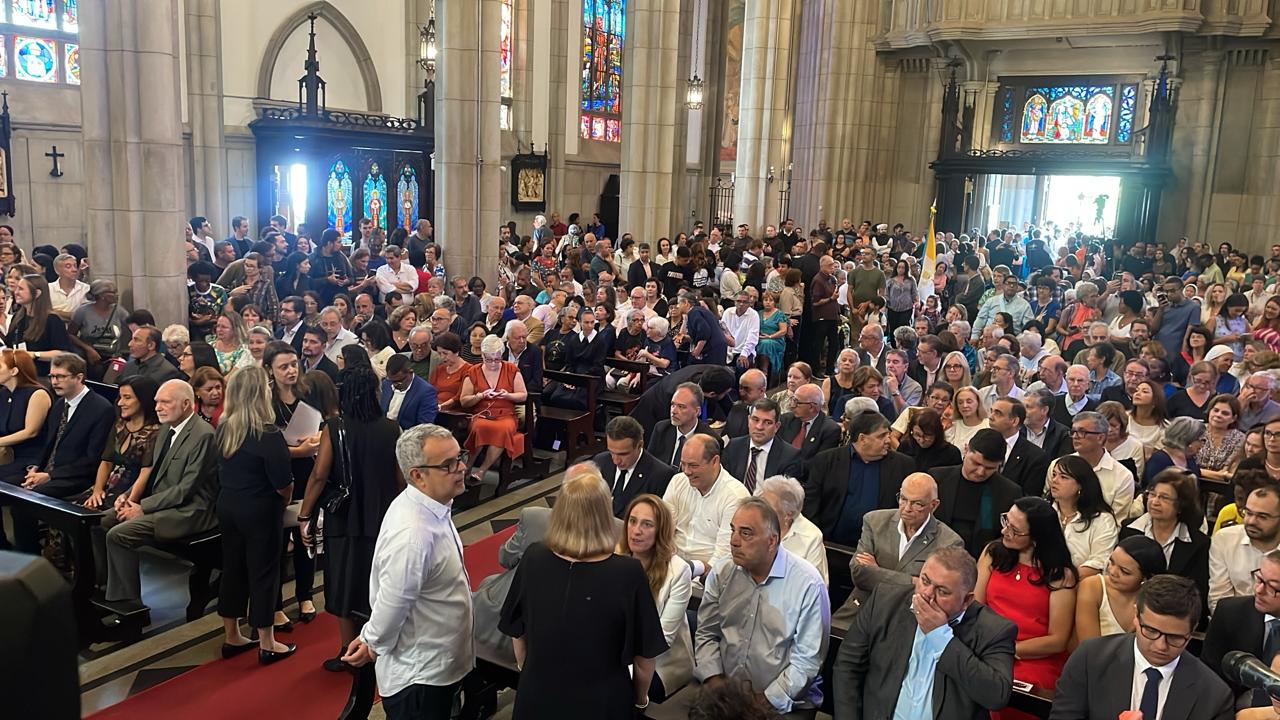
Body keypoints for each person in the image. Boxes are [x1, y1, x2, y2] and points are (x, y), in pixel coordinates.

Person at [500, 464, 667, 719]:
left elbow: (517, 632)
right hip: (602, 703)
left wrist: (530, 671)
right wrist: (640, 699)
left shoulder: (534, 557)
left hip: (537, 696)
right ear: (604, 514)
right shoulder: (627, 572)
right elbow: (644, 658)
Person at [335, 424, 472, 717]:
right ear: (417, 475)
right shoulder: (414, 533)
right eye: (449, 464)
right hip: (421, 674)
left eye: (460, 457)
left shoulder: (430, 505)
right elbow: (393, 601)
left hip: (438, 661)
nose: (461, 467)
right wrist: (372, 641)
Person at [297, 364, 402, 672]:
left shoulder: (335, 428)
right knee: (377, 583)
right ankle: (376, 646)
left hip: (343, 517)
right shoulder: (391, 428)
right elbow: (399, 480)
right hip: (381, 516)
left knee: (343, 582)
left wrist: (305, 514)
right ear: (372, 392)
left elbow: (319, 474)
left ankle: (347, 650)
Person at [833, 547, 1017, 720]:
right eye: (925, 581)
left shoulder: (994, 630)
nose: (927, 594)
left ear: (966, 601)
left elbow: (996, 696)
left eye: (942, 591)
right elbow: (848, 666)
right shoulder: (885, 601)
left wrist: (940, 637)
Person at [694, 497, 830, 715]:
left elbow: (807, 662)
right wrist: (716, 683)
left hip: (784, 703)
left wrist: (762, 702)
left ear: (771, 541)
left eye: (746, 533)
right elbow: (707, 634)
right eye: (733, 530)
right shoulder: (722, 572)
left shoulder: (808, 584)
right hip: (725, 693)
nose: (734, 541)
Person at [96, 378, 217, 612]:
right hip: (160, 503)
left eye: (165, 402)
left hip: (189, 511)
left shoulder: (203, 435)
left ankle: (129, 604)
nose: (158, 407)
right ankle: (105, 586)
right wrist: (129, 497)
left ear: (185, 404)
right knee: (98, 522)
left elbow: (185, 490)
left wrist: (142, 508)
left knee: (119, 534)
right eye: (156, 402)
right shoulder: (165, 429)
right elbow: (152, 475)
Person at [1048, 575, 1232, 720]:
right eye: (1151, 631)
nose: (1161, 646)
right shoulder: (1090, 659)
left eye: (1175, 637)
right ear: (1136, 616)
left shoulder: (1214, 695)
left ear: (1192, 631)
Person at [214, 367, 295, 663]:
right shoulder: (268, 433)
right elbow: (283, 484)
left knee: (232, 568)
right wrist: (284, 500)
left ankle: (232, 636)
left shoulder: (224, 427)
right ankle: (267, 641)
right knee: (263, 572)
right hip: (260, 509)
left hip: (228, 505)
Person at [977, 497, 1079, 697]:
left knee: (1007, 689)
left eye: (1015, 530)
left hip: (1033, 657)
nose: (1005, 531)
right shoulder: (993, 553)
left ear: (1036, 538)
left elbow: (1057, 640)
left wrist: (1009, 649)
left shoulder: (1059, 575)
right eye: (1006, 521)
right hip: (986, 646)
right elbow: (975, 607)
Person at [833, 471, 964, 620]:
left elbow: (931, 594)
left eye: (917, 504)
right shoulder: (874, 521)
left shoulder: (949, 542)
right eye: (903, 499)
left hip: (907, 618)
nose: (907, 508)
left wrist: (877, 571)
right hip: (860, 609)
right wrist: (913, 581)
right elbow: (860, 573)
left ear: (934, 505)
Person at [616, 494, 695, 702]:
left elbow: (663, 638)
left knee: (617, 690)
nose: (636, 531)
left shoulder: (678, 571)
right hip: (618, 655)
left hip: (662, 663)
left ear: (660, 531)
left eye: (647, 524)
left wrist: (623, 666)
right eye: (632, 521)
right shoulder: (615, 559)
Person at [803, 410, 913, 548]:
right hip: (830, 544)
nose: (888, 440)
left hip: (878, 548)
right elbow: (811, 503)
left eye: (888, 435)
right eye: (882, 436)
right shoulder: (826, 461)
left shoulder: (904, 466)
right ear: (862, 438)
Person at [1119, 469, 1211, 618]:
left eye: (1164, 498)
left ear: (1181, 505)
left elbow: (1197, 592)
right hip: (1128, 607)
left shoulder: (1198, 543)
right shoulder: (1129, 530)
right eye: (1152, 494)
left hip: (1175, 614)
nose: (1155, 501)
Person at [1201, 549, 1280, 709]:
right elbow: (1208, 677)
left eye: (1272, 587)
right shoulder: (1229, 613)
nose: (1258, 590)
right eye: (1259, 579)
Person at [662, 433, 748, 580]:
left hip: (708, 578)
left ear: (715, 461)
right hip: (670, 568)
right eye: (683, 464)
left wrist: (691, 574)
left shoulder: (735, 496)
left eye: (693, 466)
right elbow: (663, 531)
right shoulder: (678, 482)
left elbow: (724, 557)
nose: (687, 471)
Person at [932, 428, 1024, 558]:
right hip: (935, 555)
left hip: (981, 560)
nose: (980, 472)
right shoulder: (937, 479)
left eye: (990, 468)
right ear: (966, 450)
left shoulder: (1009, 492)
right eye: (976, 463)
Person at [1073, 536, 1168, 644]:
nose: (1112, 572)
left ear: (1146, 577)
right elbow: (1089, 648)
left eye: (1124, 571)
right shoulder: (1093, 586)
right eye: (1112, 562)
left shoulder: (1154, 601)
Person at [1047, 411, 1136, 520]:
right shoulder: (1057, 465)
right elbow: (1048, 503)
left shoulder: (1122, 476)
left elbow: (1117, 520)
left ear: (1100, 437)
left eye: (1082, 432)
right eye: (1073, 432)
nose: (1075, 436)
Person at [1207, 484, 1280, 612]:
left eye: (1262, 517)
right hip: (1234, 623)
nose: (1251, 521)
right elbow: (1219, 598)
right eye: (1248, 513)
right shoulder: (1225, 539)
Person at [1049, 455, 1119, 578]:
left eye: (1063, 477)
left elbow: (1099, 562)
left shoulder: (1102, 520)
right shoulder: (1044, 510)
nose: (1054, 480)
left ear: (1081, 485)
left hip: (1081, 584)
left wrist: (1064, 579)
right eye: (1054, 474)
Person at [592, 415, 676, 518]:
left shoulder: (660, 476)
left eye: (623, 454)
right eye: (611, 452)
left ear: (639, 445)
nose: (615, 460)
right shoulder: (600, 462)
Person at [756, 474, 829, 585]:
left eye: (767, 508)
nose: (759, 511)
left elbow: (816, 586)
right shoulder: (751, 524)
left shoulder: (811, 537)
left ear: (788, 514)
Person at [721, 398, 803, 493]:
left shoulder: (790, 456)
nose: (759, 427)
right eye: (755, 420)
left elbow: (784, 498)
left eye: (767, 422)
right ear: (748, 420)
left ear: (777, 427)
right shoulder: (734, 446)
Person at [0, 349, 51, 487]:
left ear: (14, 371)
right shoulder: (3, 393)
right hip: (5, 454)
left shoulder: (37, 394)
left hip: (27, 459)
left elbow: (30, 432)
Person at [4, 273, 73, 375]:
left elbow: (62, 353)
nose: (16, 292)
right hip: (18, 372)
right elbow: (9, 344)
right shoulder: (18, 317)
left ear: (37, 293)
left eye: (21, 289)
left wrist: (34, 354)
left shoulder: (52, 320)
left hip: (41, 373)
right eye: (17, 288)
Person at [990, 397, 1051, 497]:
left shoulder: (1035, 457)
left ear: (1014, 421)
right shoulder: (981, 442)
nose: (991, 417)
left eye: (998, 413)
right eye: (991, 411)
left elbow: (1029, 497)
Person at [650, 382, 721, 468]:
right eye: (672, 405)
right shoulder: (661, 428)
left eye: (681, 407)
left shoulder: (710, 440)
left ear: (697, 411)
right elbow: (650, 464)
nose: (674, 411)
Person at [777, 383, 843, 465]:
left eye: (797, 402)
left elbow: (819, 463)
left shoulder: (830, 430)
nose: (792, 405)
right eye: (792, 400)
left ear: (811, 407)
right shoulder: (785, 419)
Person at [1142, 416, 1205, 489]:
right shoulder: (1158, 461)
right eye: (1200, 440)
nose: (1202, 444)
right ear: (1188, 438)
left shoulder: (1190, 460)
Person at [380, 353, 438, 430]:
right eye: (392, 381)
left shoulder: (426, 392)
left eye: (398, 382)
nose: (394, 385)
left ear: (410, 372)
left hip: (407, 437)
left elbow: (424, 427)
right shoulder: (386, 384)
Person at [896, 407, 962, 473]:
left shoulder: (951, 453)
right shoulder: (905, 446)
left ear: (937, 433)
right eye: (917, 434)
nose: (921, 440)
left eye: (927, 436)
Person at [119, 325, 185, 384]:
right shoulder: (128, 366)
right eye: (132, 339)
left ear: (151, 345)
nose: (130, 344)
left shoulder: (168, 372)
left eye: (136, 340)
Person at [945, 386, 990, 452]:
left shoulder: (989, 425)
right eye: (960, 403)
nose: (965, 405)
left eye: (969, 402)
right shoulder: (952, 426)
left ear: (978, 403)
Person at [1128, 379, 1170, 448]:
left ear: (1155, 399)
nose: (1137, 393)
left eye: (1144, 391)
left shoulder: (1165, 427)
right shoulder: (1124, 417)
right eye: (1136, 390)